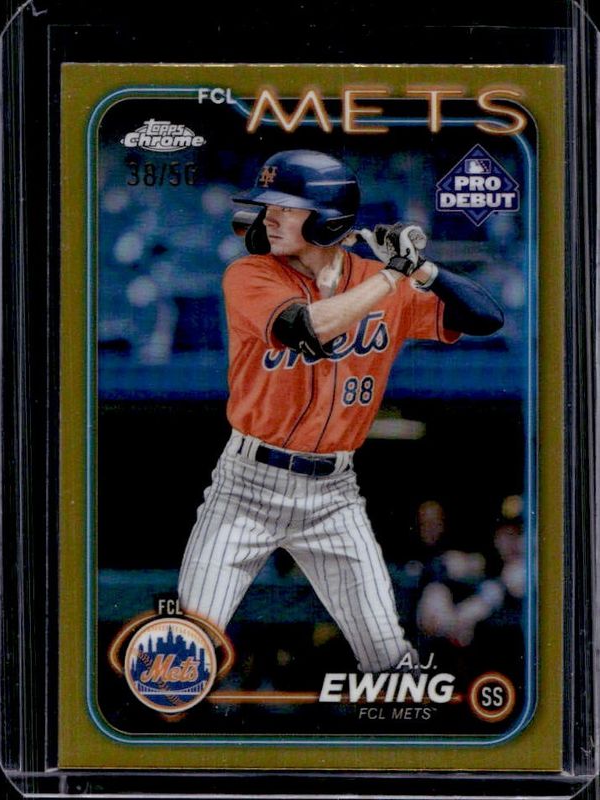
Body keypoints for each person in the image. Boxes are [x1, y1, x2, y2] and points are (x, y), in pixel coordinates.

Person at [178, 149, 504, 673]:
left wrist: (421, 268)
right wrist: (392, 276)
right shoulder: (249, 275)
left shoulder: (383, 281)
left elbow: (486, 317)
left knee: (388, 656)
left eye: (285, 208)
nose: (268, 218)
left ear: (328, 220)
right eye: (267, 208)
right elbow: (305, 326)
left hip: (333, 493)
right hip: (246, 486)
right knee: (190, 643)